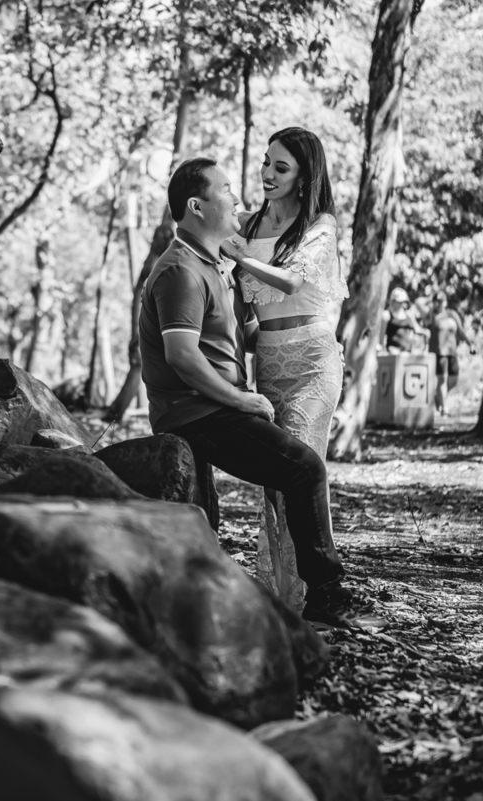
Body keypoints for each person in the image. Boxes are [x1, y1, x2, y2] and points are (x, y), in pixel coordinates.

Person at [138, 157, 352, 623]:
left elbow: (244, 336)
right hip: (197, 412)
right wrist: (242, 399)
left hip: (218, 406)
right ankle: (328, 598)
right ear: (196, 207)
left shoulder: (218, 268)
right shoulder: (179, 270)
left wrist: (311, 342)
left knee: (296, 473)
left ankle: (296, 593)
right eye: (226, 190)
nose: (237, 198)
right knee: (304, 469)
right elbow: (182, 355)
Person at [219, 127, 346, 614]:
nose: (267, 173)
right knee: (276, 483)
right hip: (268, 361)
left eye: (281, 167)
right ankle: (284, 595)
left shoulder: (319, 225)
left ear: (304, 176)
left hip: (313, 362)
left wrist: (240, 257)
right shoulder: (249, 225)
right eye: (266, 162)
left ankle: (320, 592)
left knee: (302, 469)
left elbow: (292, 282)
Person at [428, 291, 476, 414]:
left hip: (452, 352)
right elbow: (418, 303)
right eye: (436, 301)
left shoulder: (451, 314)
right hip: (439, 353)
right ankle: (444, 408)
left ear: (445, 302)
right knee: (442, 380)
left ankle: (437, 397)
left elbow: (461, 331)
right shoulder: (431, 315)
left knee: (453, 380)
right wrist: (429, 299)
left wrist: (470, 344)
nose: (438, 304)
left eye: (440, 301)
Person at [381, 287, 429, 353]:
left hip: (407, 352)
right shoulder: (387, 315)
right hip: (393, 352)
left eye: (403, 302)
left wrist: (426, 332)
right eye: (399, 302)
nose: (401, 304)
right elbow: (381, 338)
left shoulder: (408, 314)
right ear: (393, 301)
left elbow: (417, 330)